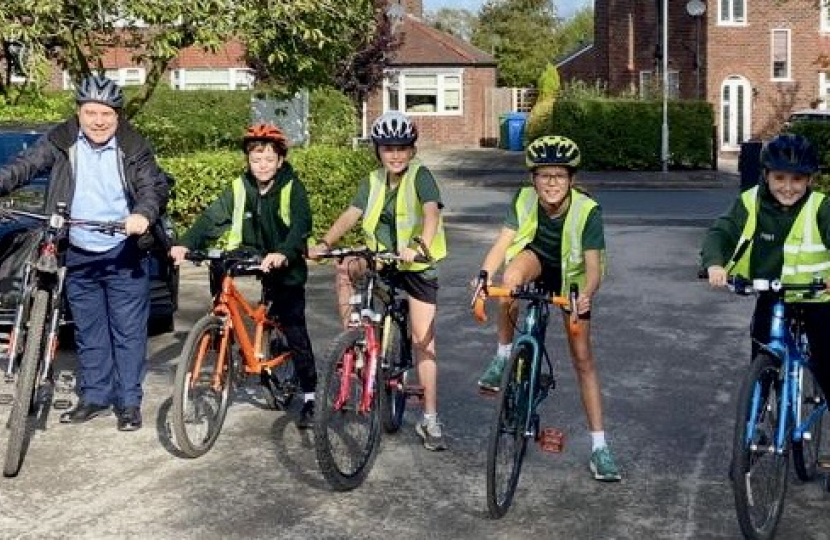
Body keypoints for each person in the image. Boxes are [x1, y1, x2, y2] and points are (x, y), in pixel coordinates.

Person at [0, 75, 170, 431]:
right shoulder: (62, 139)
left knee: (127, 331)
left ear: (117, 116)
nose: (98, 121)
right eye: (90, 112)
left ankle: (127, 403)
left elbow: (151, 186)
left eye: (105, 114)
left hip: (124, 250)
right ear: (79, 112)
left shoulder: (133, 145)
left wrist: (142, 214)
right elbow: (26, 165)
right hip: (77, 249)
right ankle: (94, 396)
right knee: (89, 331)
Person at [474, 135, 621, 481]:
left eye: (559, 175)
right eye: (544, 175)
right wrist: (483, 275)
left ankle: (600, 448)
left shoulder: (588, 211)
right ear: (533, 178)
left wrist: (585, 294)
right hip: (536, 260)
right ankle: (503, 355)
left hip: (572, 281)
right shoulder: (525, 199)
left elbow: (594, 270)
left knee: (583, 359)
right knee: (509, 279)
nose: (552, 182)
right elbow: (503, 243)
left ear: (571, 178)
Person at [308, 111, 448, 451]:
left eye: (402, 148)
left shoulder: (421, 176)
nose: (395, 155)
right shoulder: (372, 181)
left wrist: (420, 247)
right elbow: (350, 215)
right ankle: (354, 337)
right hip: (382, 261)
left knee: (422, 341)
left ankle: (430, 419)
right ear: (378, 152)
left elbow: (431, 213)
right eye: (388, 148)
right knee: (344, 266)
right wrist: (324, 244)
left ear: (412, 151)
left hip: (416, 267)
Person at [169, 123, 318, 429]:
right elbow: (211, 218)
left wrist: (284, 253)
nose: (261, 165)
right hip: (254, 256)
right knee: (221, 275)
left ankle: (310, 395)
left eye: (268, 159)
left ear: (280, 160)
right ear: (248, 161)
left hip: (285, 266)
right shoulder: (241, 186)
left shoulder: (292, 186)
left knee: (293, 329)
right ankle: (224, 340)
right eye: (255, 160)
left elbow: (301, 225)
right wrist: (185, 243)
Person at [701, 133, 830, 399]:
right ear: (767, 175)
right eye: (780, 178)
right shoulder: (751, 202)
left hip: (816, 296)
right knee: (761, 352)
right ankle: (754, 420)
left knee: (825, 362)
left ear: (810, 180)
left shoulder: (821, 207)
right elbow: (722, 232)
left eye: (797, 179)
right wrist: (714, 264)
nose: (788, 187)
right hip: (772, 293)